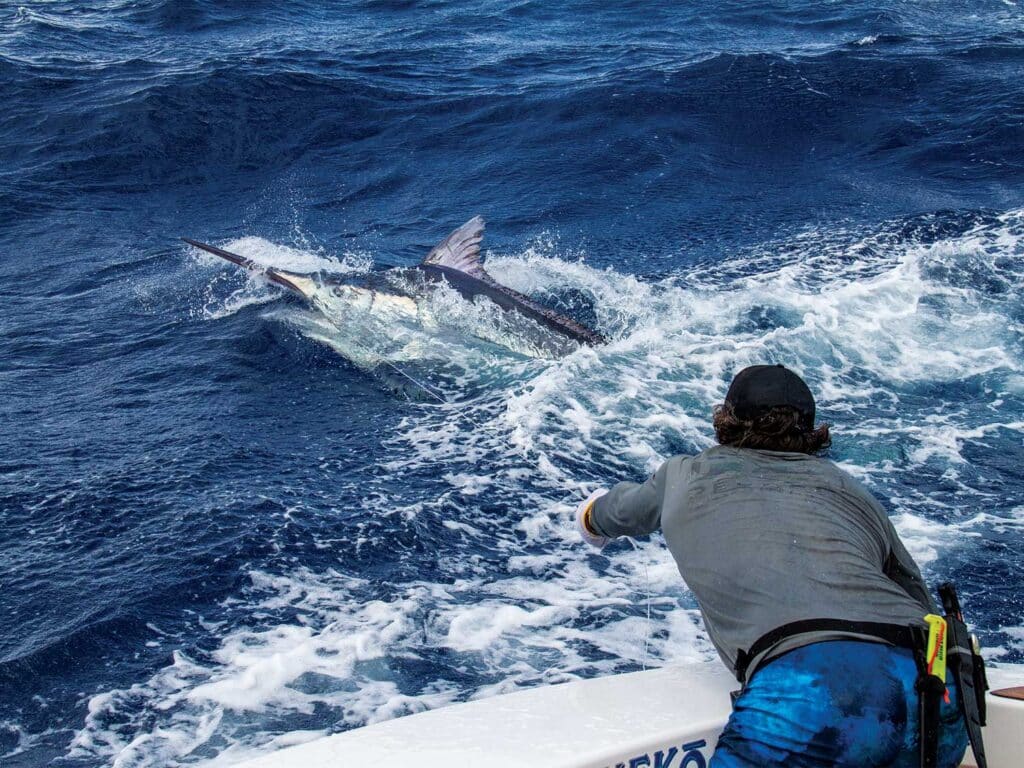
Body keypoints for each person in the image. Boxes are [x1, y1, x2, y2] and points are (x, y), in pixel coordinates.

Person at [575, 364, 970, 768]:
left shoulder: (685, 473)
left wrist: (588, 518)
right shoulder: (848, 487)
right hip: (932, 691)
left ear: (725, 421)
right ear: (812, 432)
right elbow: (918, 598)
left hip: (808, 691)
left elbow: (609, 515)